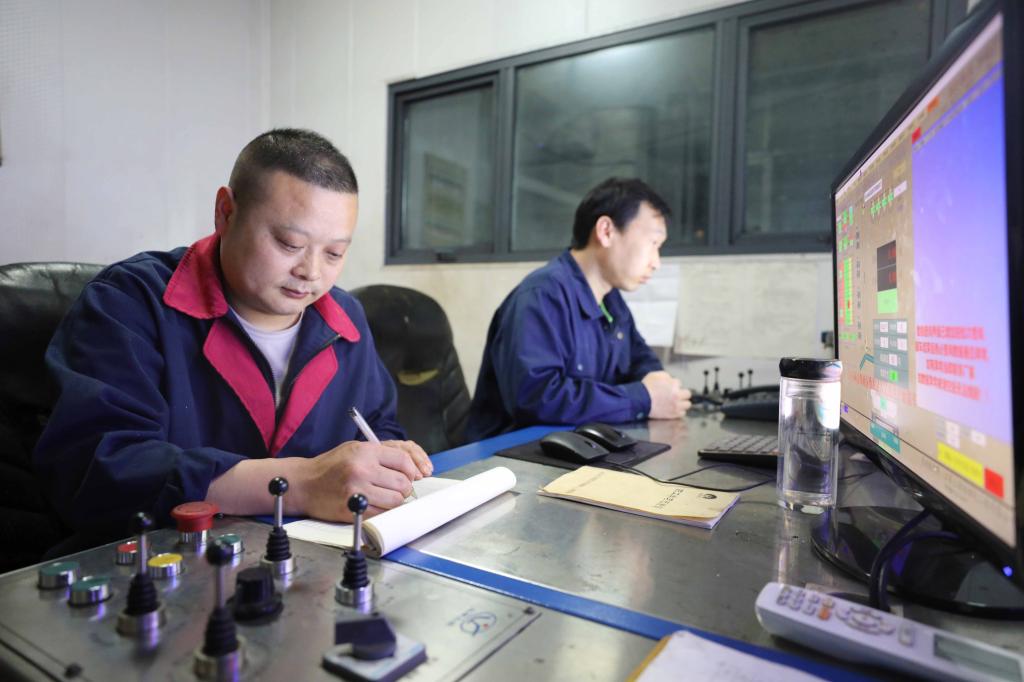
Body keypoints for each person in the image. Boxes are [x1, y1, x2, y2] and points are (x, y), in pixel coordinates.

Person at [33, 129, 432, 541]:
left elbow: (377, 423)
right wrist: (300, 484)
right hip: (163, 558)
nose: (311, 272)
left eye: (334, 253)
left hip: (309, 562)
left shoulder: (344, 318)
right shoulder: (129, 303)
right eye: (289, 243)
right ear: (225, 212)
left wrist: (387, 458)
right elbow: (95, 466)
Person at [466, 177, 692, 441]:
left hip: (578, 444)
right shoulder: (542, 296)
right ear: (606, 231)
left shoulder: (611, 301)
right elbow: (537, 398)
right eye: (653, 244)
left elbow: (640, 359)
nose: (656, 262)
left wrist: (659, 384)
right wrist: (642, 398)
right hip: (511, 455)